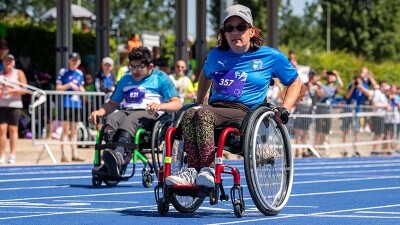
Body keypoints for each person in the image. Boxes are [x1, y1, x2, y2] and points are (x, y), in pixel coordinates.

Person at [165, 4, 302, 187]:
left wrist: (285, 108)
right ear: (224, 33)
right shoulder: (215, 55)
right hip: (215, 109)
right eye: (229, 28)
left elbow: (295, 81)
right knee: (192, 113)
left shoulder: (270, 57)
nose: (234, 32)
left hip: (245, 112)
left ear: (251, 31)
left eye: (240, 27)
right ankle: (193, 169)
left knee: (202, 114)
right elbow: (205, 76)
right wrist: (198, 102)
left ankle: (208, 170)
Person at [88, 47, 182, 178]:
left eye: (139, 67)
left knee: (130, 120)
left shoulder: (161, 78)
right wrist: (99, 112)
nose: (134, 71)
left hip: (149, 113)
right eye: (131, 67)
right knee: (112, 119)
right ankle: (110, 159)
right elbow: (112, 103)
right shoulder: (125, 79)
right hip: (126, 110)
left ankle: (119, 157)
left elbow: (177, 103)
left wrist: (160, 106)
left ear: (150, 66)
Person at [55, 52, 85, 163]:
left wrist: (82, 90)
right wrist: (68, 85)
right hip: (66, 103)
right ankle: (63, 154)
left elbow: (81, 86)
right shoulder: (63, 72)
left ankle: (74, 153)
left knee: (74, 130)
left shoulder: (79, 73)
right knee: (65, 129)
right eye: (73, 60)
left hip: (77, 104)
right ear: (69, 61)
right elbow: (57, 88)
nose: (74, 62)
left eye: (76, 60)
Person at [0, 54, 28, 164]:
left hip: (15, 104)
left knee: (13, 130)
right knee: (2, 130)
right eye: (6, 61)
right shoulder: (1, 75)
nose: (8, 63)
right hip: (2, 104)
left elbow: (24, 89)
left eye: (10, 61)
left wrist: (11, 91)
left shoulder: (18, 73)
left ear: (13, 63)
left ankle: (12, 154)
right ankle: (2, 154)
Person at [341, 74, 372, 156]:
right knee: (346, 130)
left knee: (357, 131)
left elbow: (369, 95)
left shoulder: (364, 86)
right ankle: (345, 149)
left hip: (357, 111)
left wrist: (360, 87)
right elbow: (347, 96)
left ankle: (356, 149)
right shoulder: (351, 86)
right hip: (348, 111)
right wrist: (353, 87)